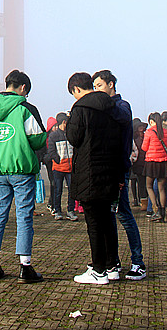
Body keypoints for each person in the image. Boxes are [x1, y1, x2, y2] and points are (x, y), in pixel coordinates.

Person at [0, 69, 46, 284]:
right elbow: (38, 139)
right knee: (24, 215)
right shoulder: (25, 108)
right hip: (22, 170)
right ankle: (25, 267)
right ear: (23, 88)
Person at [66, 72, 124, 285]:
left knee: (94, 224)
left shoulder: (80, 108)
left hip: (89, 172)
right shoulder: (112, 107)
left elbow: (73, 138)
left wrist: (71, 120)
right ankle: (111, 266)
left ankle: (98, 271)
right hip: (109, 171)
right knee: (107, 220)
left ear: (76, 90)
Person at [92, 70, 146, 281]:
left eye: (99, 85)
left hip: (118, 170)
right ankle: (112, 262)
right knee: (109, 217)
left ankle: (138, 262)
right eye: (94, 86)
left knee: (124, 215)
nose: (97, 89)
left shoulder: (122, 106)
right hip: (104, 170)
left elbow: (122, 117)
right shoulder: (103, 108)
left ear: (111, 84)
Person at [141, 112, 167, 223]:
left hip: (151, 162)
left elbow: (144, 147)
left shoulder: (149, 132)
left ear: (151, 121)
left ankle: (155, 208)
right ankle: (163, 212)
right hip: (163, 162)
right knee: (162, 188)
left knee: (149, 186)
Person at [47, 112, 76, 221]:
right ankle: (57, 210)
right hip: (58, 168)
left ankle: (70, 210)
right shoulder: (53, 136)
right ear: (64, 122)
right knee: (57, 190)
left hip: (70, 168)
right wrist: (58, 160)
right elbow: (51, 150)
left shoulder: (70, 134)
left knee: (71, 191)